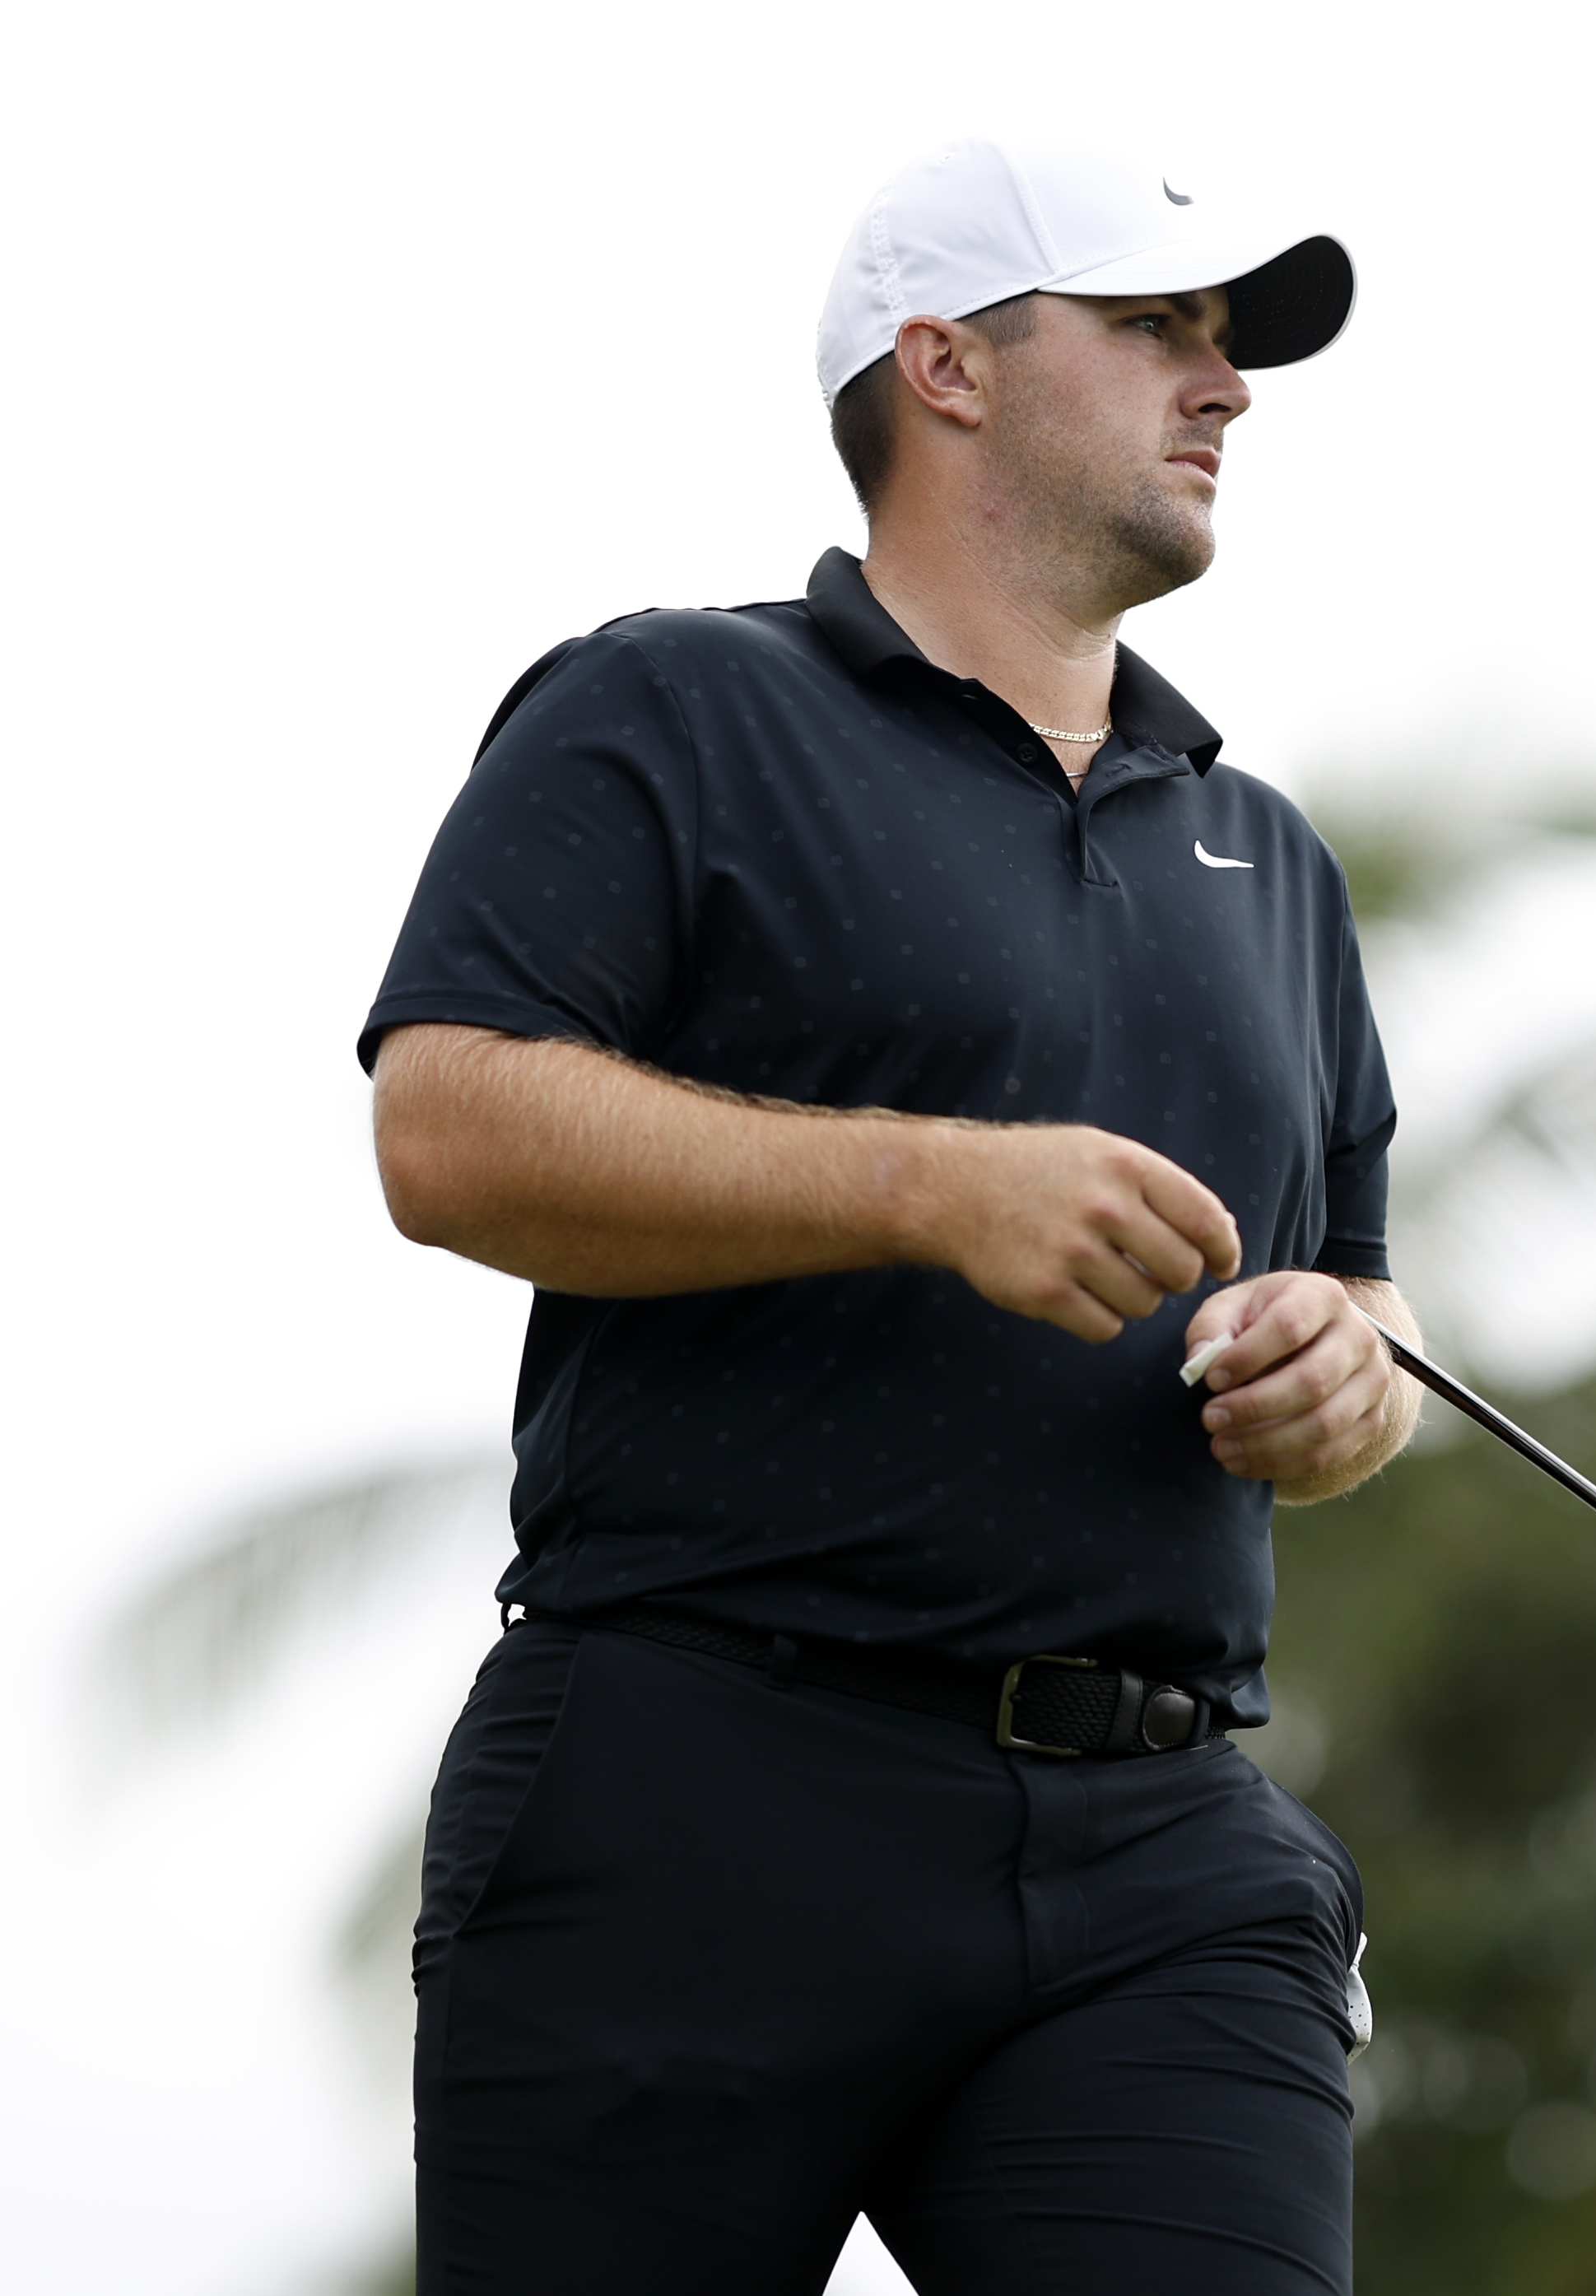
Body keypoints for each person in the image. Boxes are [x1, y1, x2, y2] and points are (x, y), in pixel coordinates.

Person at [358, 137, 1412, 2294]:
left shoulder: (1275, 861)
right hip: (693, 1797)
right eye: (1155, 329)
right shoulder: (672, 708)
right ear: (944, 366)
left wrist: (1349, 1374)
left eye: (1229, 344)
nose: (1224, 386)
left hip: (1168, 1857)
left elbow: (1367, 1296)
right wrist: (922, 1184)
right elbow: (447, 1128)